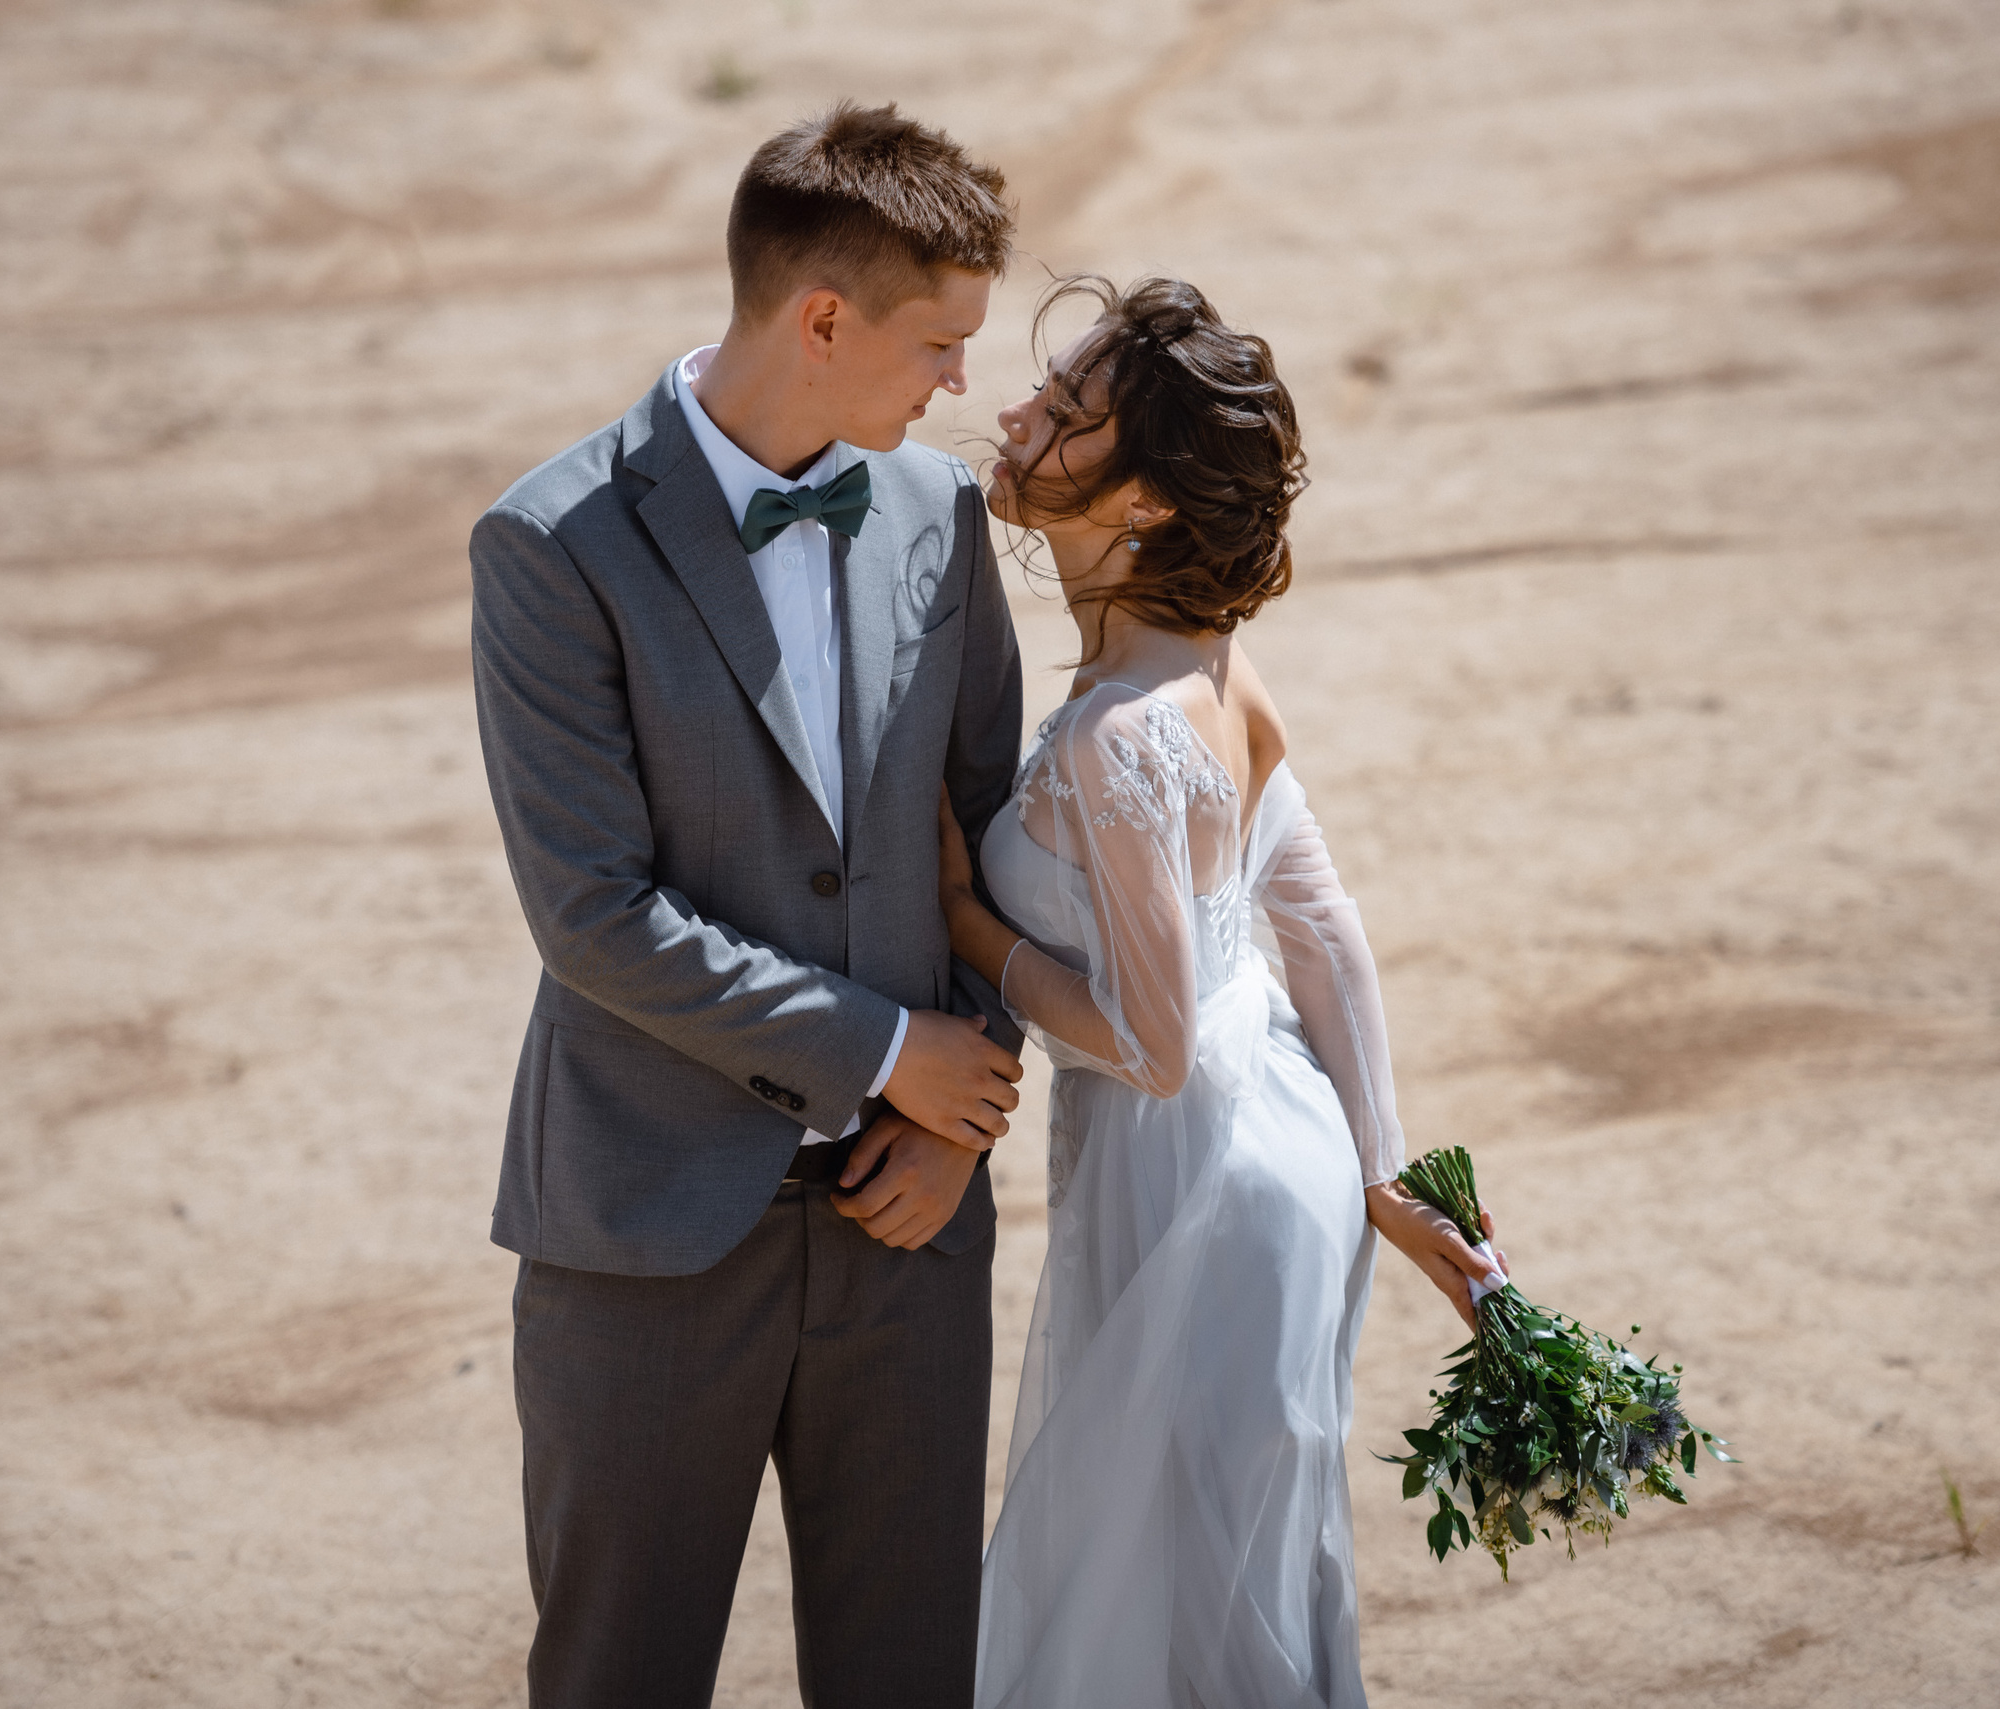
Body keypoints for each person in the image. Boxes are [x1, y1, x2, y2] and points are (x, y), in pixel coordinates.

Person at [470, 102, 1028, 1707]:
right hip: (646, 1233)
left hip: (910, 1231)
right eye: (941, 342)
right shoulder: (548, 545)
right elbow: (593, 913)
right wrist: (883, 1051)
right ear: (825, 317)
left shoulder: (939, 515)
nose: (960, 386)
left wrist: (960, 1105)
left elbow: (994, 841)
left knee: (913, 1673)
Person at [940, 277, 1503, 1708]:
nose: (1015, 415)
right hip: (1291, 1162)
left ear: (1144, 507)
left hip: (1195, 1188)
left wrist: (968, 924)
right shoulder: (1219, 672)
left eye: (1066, 415)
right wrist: (1384, 1170)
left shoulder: (1118, 740)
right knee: (1231, 1598)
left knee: (1147, 1605)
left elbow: (1153, 1041)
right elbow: (1319, 927)